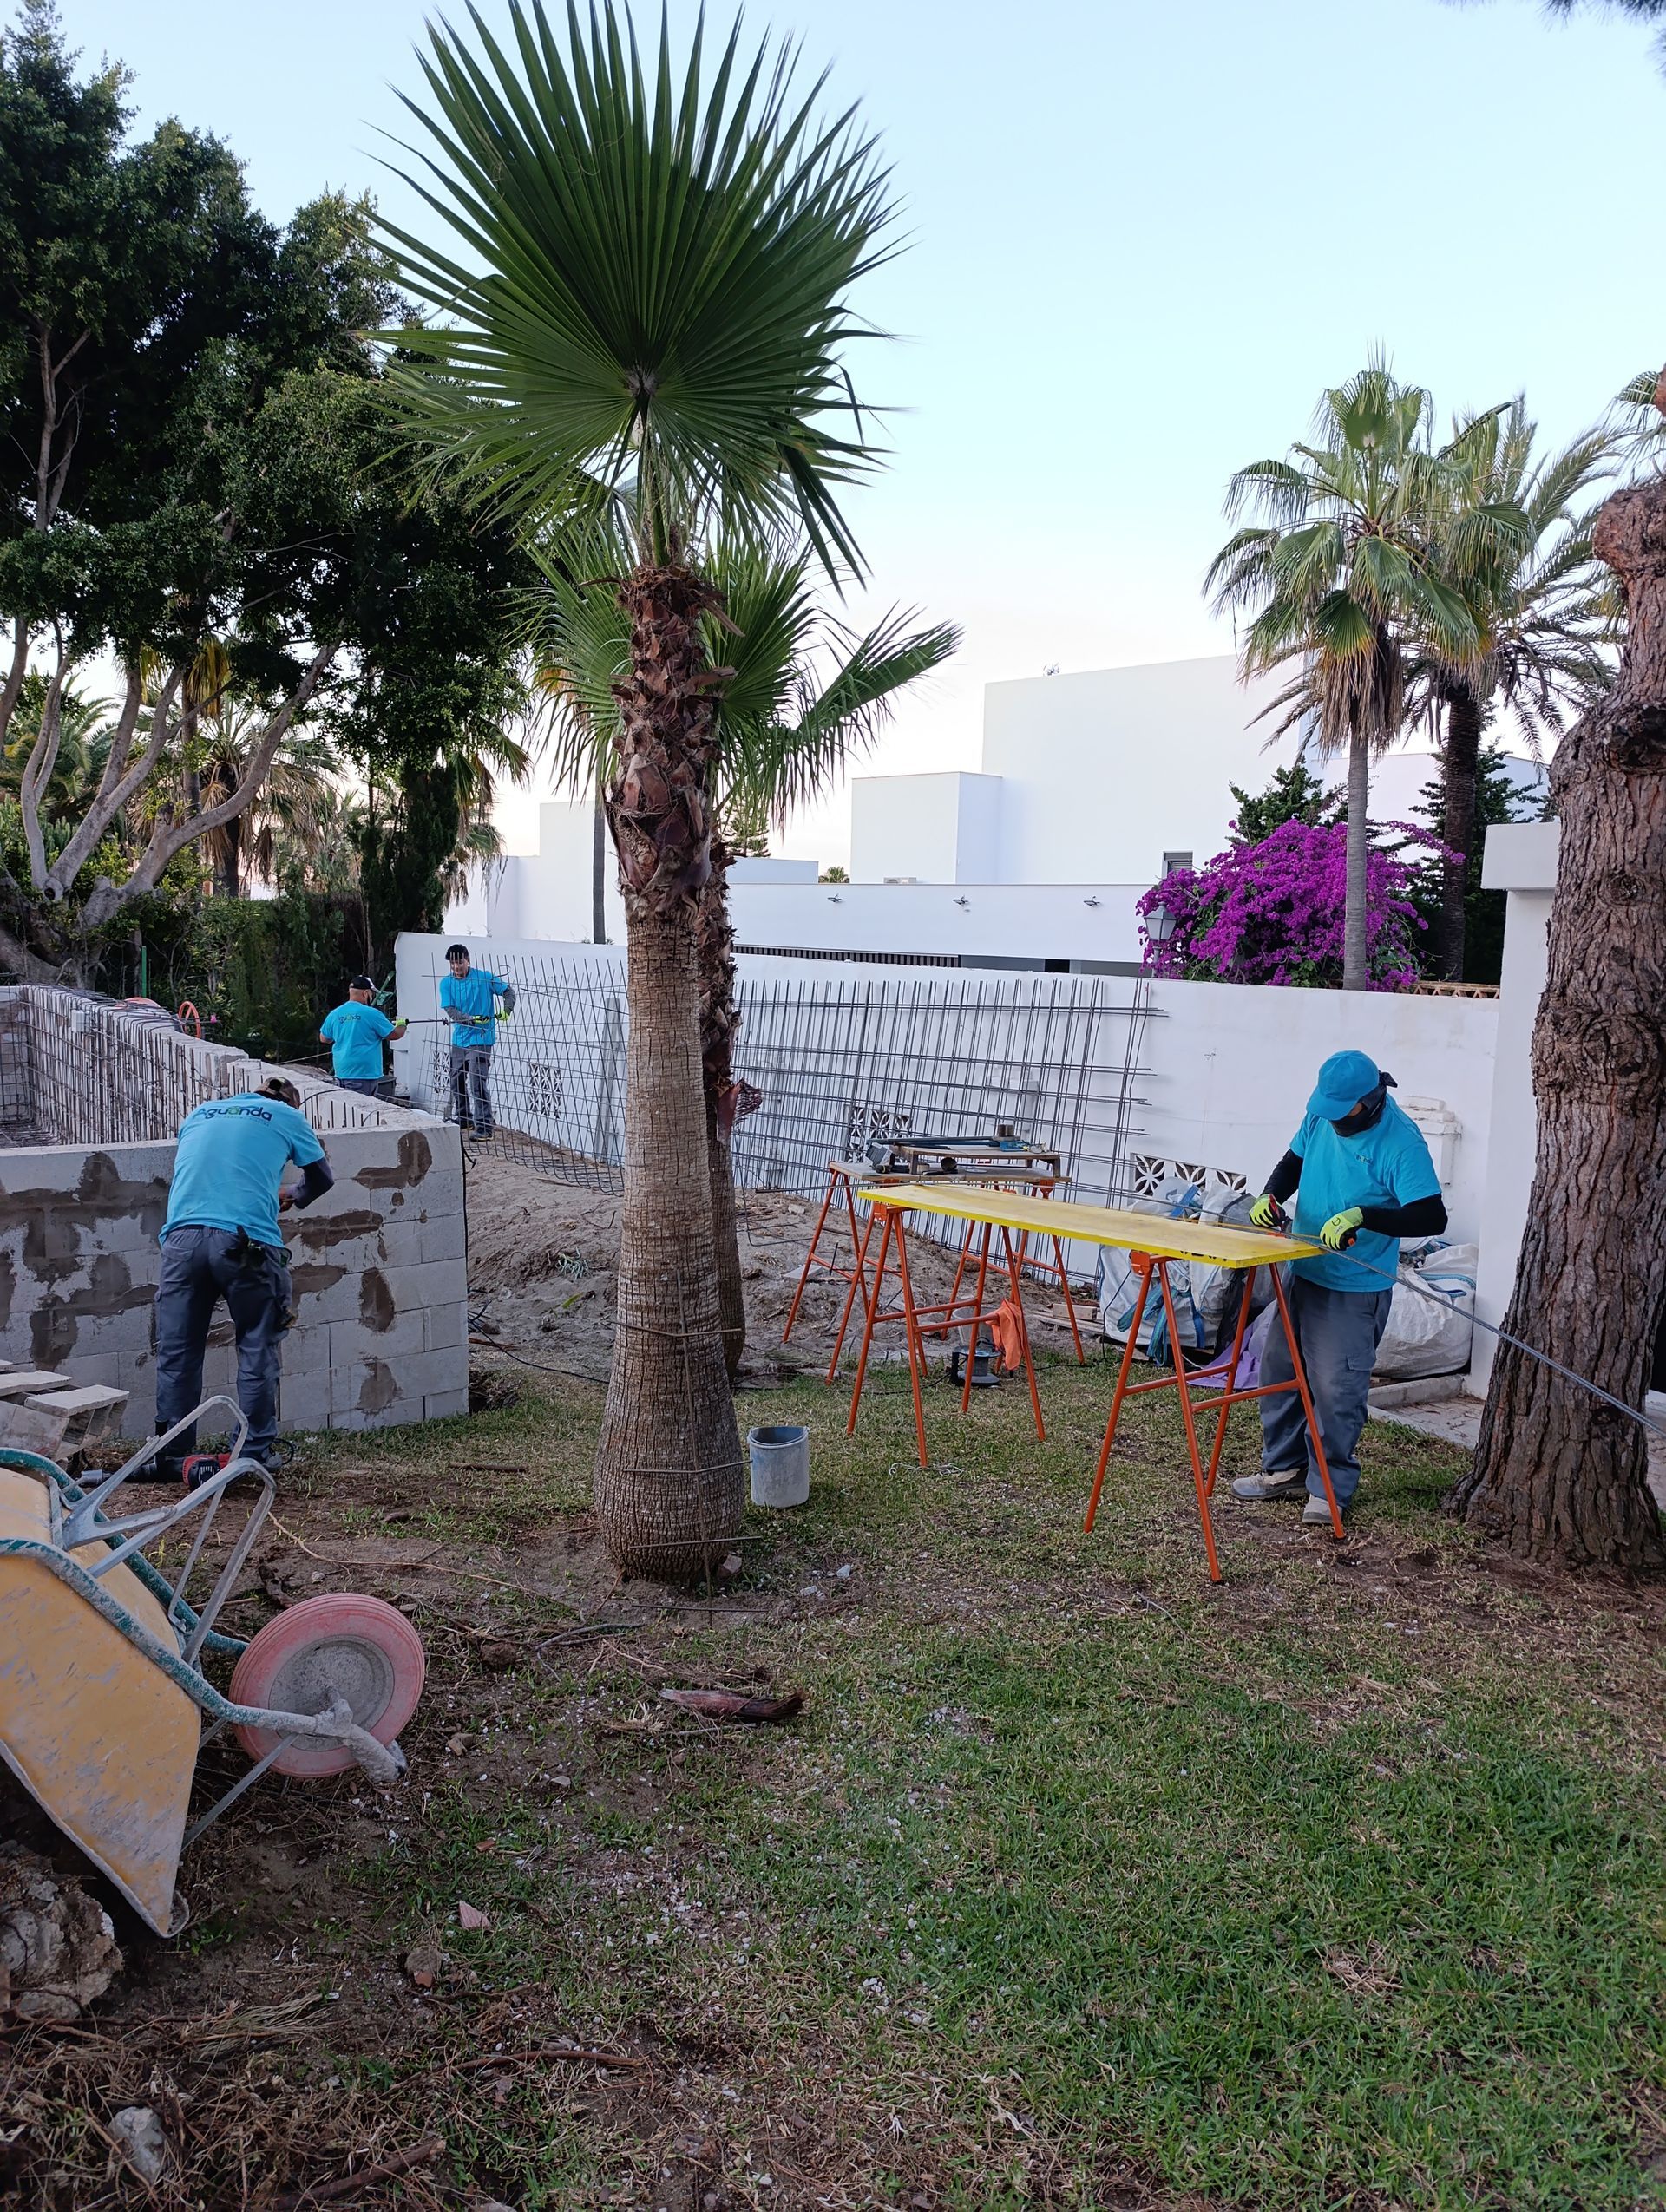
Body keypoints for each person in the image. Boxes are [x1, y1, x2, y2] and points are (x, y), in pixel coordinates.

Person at [1231, 1049, 1446, 1525]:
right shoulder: (1322, 1112)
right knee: (1279, 1372)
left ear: (1369, 1100)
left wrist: (1365, 1216)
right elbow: (1292, 1161)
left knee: (1335, 1389)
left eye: (1340, 1112)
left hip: (1354, 1286)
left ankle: (1328, 1488)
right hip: (1302, 1267)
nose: (1330, 1120)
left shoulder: (1402, 1143)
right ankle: (1283, 1470)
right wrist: (1270, 1195)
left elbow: (1431, 1214)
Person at [154, 1077, 335, 1475]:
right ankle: (251, 1452)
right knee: (256, 1344)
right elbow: (322, 1178)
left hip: (181, 1243)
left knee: (177, 1352)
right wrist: (292, 1195)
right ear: (291, 1101)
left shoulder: (200, 1113)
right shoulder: (287, 1115)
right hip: (245, 1244)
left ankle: (171, 1454)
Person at [438, 942, 515, 1137]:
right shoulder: (446, 983)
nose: (457, 967)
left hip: (481, 1038)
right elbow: (451, 1010)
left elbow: (508, 992)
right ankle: (464, 1118)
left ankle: (484, 1127)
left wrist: (506, 1011)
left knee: (477, 1082)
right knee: (456, 1080)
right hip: (459, 1039)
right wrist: (469, 1019)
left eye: (460, 962)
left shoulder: (484, 978)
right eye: (453, 964)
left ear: (468, 960)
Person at [319, 975, 407, 1096]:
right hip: (364, 1074)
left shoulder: (335, 1014)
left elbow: (324, 1038)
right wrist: (402, 1024)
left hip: (341, 1072)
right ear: (365, 993)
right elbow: (395, 1035)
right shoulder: (372, 1014)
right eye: (371, 994)